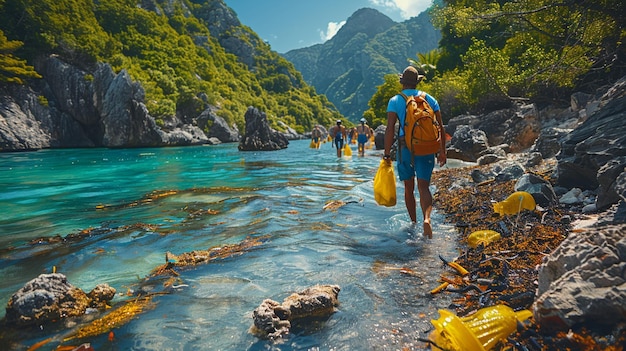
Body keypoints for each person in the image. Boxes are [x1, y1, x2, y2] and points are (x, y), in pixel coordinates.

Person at [383, 66, 446, 239]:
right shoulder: (429, 99)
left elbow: (390, 129)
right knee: (424, 186)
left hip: (405, 149)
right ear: (418, 81)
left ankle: (413, 224)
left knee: (409, 188)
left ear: (402, 82)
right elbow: (440, 126)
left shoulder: (395, 100)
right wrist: (442, 152)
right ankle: (427, 219)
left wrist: (387, 154)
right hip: (426, 147)